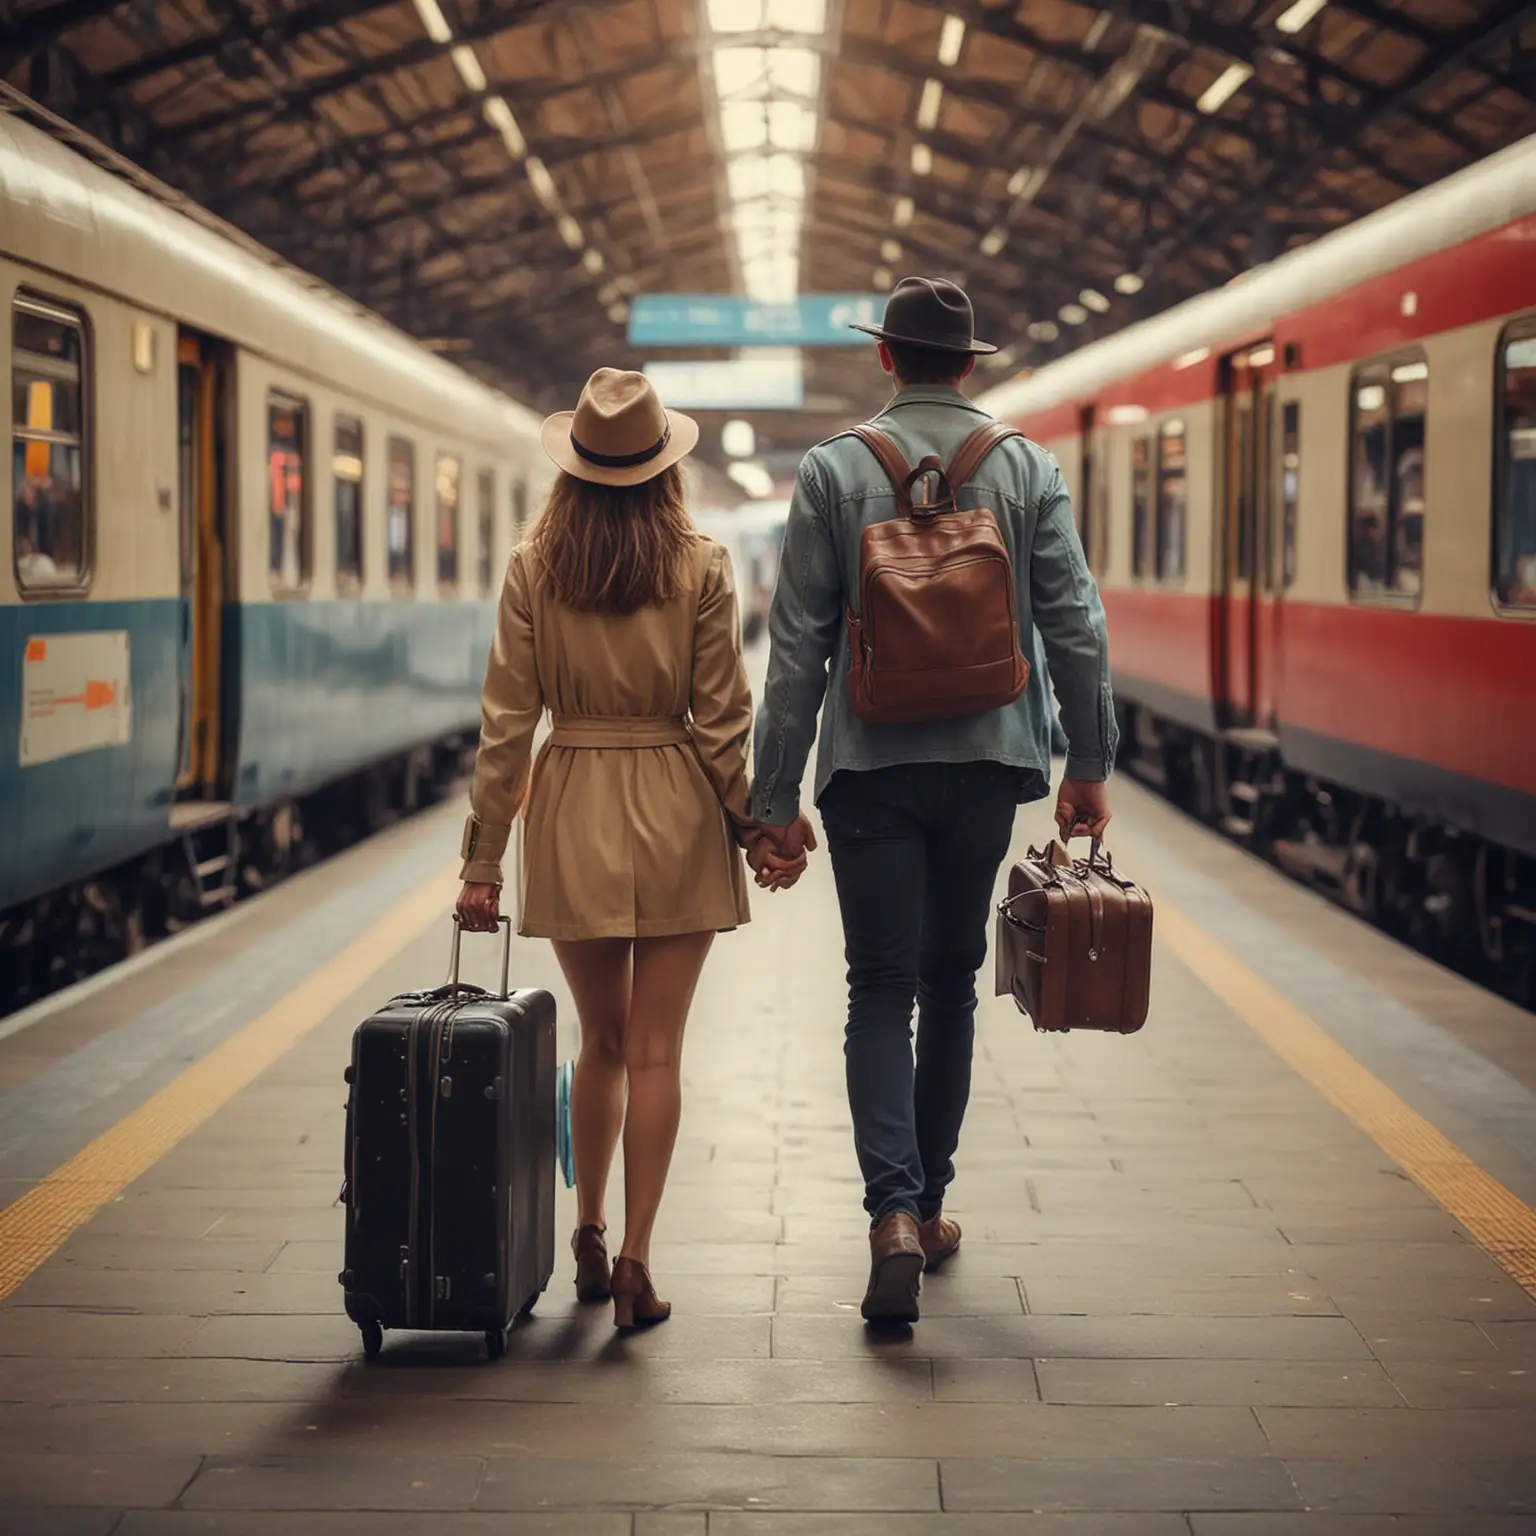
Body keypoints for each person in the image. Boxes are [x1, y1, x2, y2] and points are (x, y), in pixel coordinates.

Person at [751, 277, 1116, 1325]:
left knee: (880, 987)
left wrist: (773, 799)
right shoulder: (1026, 465)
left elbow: (796, 652)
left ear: (884, 360)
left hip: (869, 767)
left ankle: (892, 1217)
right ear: (969, 365)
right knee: (952, 985)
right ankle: (935, 1202)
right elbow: (1076, 624)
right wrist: (1086, 760)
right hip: (986, 762)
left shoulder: (830, 472)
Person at [455, 369, 804, 1330]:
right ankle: (641, 1260)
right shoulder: (700, 564)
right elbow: (724, 722)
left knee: (600, 1043)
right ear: (664, 468)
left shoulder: (533, 566)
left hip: (571, 804)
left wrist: (483, 862)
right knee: (657, 1052)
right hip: (677, 806)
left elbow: (506, 724)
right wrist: (762, 825)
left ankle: (589, 1229)